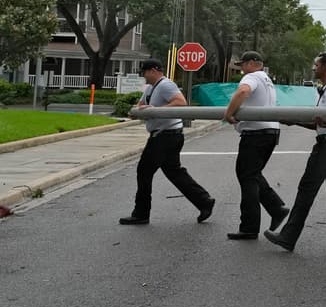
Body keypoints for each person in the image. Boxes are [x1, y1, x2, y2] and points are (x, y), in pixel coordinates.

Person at [264, 53, 326, 252]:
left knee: (307, 188)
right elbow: (319, 124)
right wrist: (294, 121)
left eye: (316, 65)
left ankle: (288, 236)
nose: (313, 68)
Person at [119, 59, 215, 225]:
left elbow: (180, 102)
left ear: (154, 70)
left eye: (145, 72)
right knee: (174, 172)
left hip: (166, 136)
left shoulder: (165, 85)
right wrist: (137, 111)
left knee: (144, 171)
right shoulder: (150, 88)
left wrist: (155, 111)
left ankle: (141, 213)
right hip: (164, 135)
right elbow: (142, 105)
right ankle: (204, 201)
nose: (144, 76)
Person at [223, 50, 289, 241]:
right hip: (270, 131)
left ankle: (250, 226)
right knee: (251, 174)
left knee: (247, 177)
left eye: (243, 64)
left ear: (253, 63)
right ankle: (276, 208)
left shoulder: (253, 77)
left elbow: (243, 91)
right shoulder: (267, 79)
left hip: (255, 133)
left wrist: (229, 113)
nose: (242, 68)